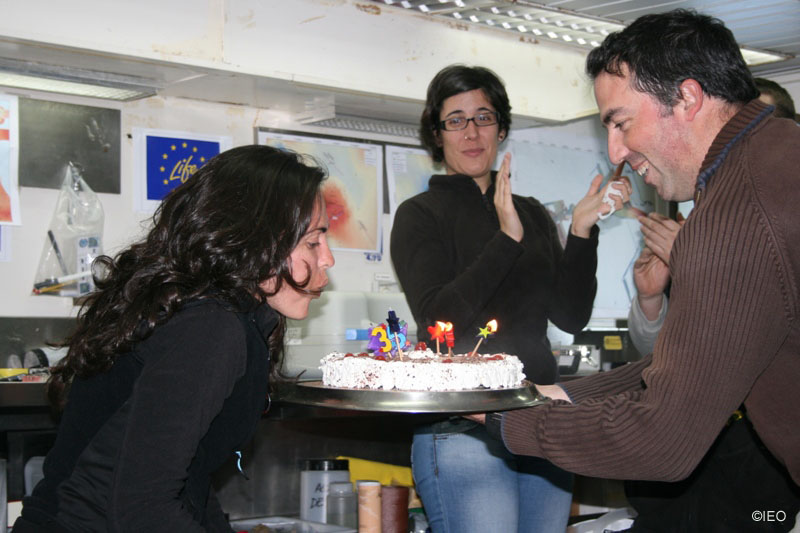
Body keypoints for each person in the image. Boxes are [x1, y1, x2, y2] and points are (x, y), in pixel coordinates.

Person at [475, 9, 800, 531]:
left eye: (622, 124)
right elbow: (691, 365)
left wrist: (508, 420)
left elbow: (663, 443)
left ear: (688, 99)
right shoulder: (779, 157)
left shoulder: (739, 210)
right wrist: (549, 396)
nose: (617, 154)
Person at [12, 145, 335, 532]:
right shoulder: (209, 329)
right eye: (313, 242)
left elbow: (186, 481)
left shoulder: (215, 317)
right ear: (253, 239)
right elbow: (141, 505)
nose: (328, 259)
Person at [390, 64, 631, 533]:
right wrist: (505, 240)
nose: (472, 132)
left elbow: (571, 315)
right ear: (436, 134)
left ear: (501, 127)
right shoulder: (420, 215)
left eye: (484, 117)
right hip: (463, 429)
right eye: (455, 120)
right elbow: (441, 321)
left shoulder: (532, 213)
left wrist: (582, 232)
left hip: (541, 419)